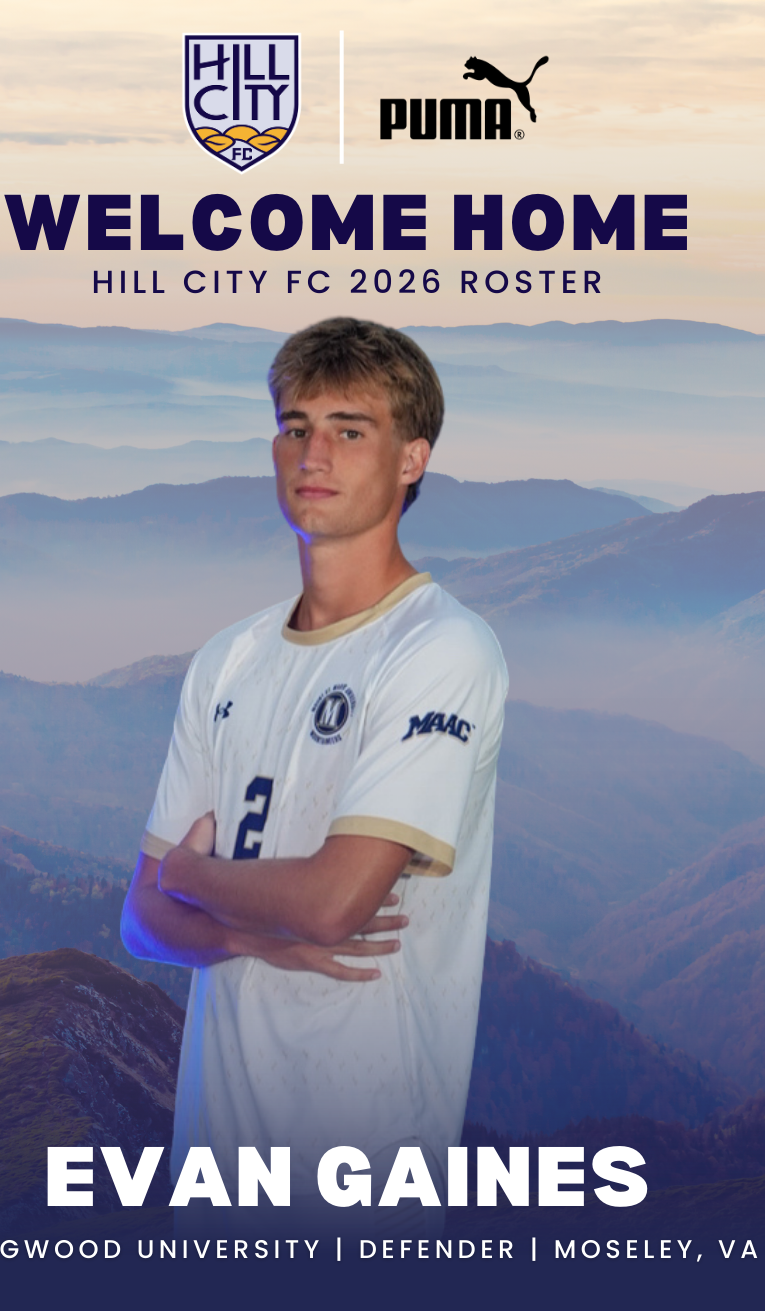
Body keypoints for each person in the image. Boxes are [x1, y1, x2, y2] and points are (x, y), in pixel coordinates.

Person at [120, 316, 507, 1234]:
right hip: (215, 1172)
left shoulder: (441, 650)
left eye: (349, 428)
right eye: (295, 426)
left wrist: (196, 879)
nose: (313, 453)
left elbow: (334, 904)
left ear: (412, 459)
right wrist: (258, 935)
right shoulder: (227, 660)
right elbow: (141, 919)